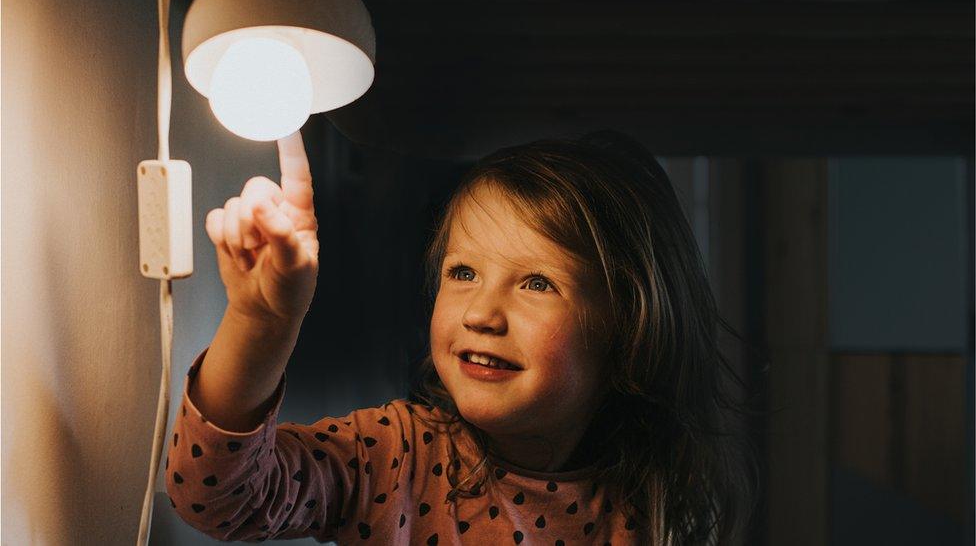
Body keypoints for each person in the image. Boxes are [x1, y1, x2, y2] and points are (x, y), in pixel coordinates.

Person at [166, 129, 755, 544]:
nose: (482, 314)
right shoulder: (395, 457)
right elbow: (216, 497)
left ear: (629, 325)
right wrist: (262, 324)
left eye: (537, 283)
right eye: (464, 273)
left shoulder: (656, 505)